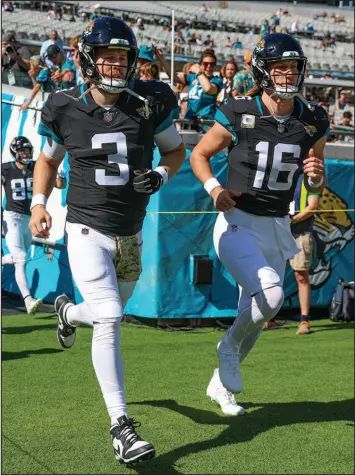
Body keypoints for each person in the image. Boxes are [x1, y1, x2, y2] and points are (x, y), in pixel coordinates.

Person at [29, 17, 185, 466]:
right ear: (88, 60)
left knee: (107, 311)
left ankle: (67, 311)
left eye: (122, 58)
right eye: (107, 57)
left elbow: (174, 151)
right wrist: (40, 203)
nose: (116, 66)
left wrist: (159, 173)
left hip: (130, 231)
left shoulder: (149, 102)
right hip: (84, 226)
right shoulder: (64, 105)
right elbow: (47, 158)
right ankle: (121, 426)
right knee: (112, 314)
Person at [190, 33, 329, 415]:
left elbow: (317, 175)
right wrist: (215, 189)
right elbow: (199, 154)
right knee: (268, 298)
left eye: (293, 68)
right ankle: (226, 348)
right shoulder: (239, 110)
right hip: (236, 221)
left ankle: (221, 387)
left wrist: (316, 178)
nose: (287, 75)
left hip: (277, 225)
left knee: (255, 311)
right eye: (280, 68)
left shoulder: (313, 117)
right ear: (263, 71)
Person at [2, 137, 66, 315]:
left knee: (18, 258)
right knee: (21, 258)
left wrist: (60, 176)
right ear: (15, 153)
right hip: (11, 217)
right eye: (23, 151)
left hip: (29, 219)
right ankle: (28, 300)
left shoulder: (36, 167)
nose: (27, 154)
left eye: (28, 150)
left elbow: (60, 185)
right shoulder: (5, 169)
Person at [289, 175, 320, 335]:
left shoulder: (311, 176)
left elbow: (313, 205)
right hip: (276, 232)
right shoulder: (275, 171)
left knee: (301, 276)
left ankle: (304, 320)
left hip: (301, 231)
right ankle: (268, 318)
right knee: (272, 275)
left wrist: (292, 220)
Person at [19, 45, 76, 112]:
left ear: (60, 53)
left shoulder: (68, 64)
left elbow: (70, 72)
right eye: (49, 58)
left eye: (53, 56)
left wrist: (27, 103)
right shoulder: (58, 67)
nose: (52, 60)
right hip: (60, 104)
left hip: (68, 105)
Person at [176, 49, 223, 121]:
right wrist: (161, 59)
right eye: (205, 64)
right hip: (190, 120)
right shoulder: (193, 77)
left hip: (206, 122)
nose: (209, 66)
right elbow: (174, 77)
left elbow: (208, 89)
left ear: (215, 66)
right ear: (200, 65)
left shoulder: (217, 80)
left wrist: (198, 71)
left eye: (212, 64)